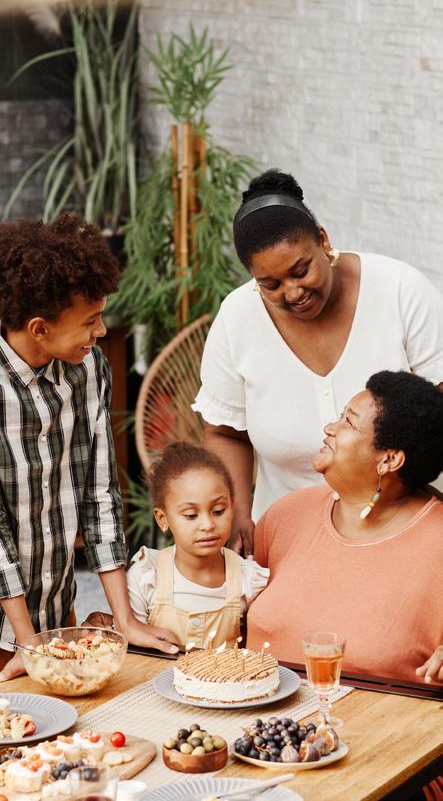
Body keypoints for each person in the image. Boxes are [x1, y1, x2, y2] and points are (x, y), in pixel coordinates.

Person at [193, 169, 443, 555]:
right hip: (285, 541)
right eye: (270, 285)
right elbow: (225, 433)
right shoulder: (237, 318)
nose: (293, 292)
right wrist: (238, 513)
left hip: (403, 534)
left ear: (323, 241)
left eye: (301, 270)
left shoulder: (400, 291)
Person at [0, 214, 179, 682]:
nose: (100, 331)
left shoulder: (88, 368)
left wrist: (125, 620)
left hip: (54, 618)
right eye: (90, 321)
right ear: (39, 329)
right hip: (10, 631)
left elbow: (100, 493)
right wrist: (25, 641)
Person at [247, 370, 443, 685]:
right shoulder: (286, 516)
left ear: (389, 460)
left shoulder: (437, 543)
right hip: (254, 711)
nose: (329, 428)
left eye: (349, 422)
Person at [86, 442, 269, 648]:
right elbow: (132, 649)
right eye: (191, 515)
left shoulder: (249, 580)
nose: (208, 525)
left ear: (232, 508)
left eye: (218, 511)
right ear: (162, 518)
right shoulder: (147, 577)